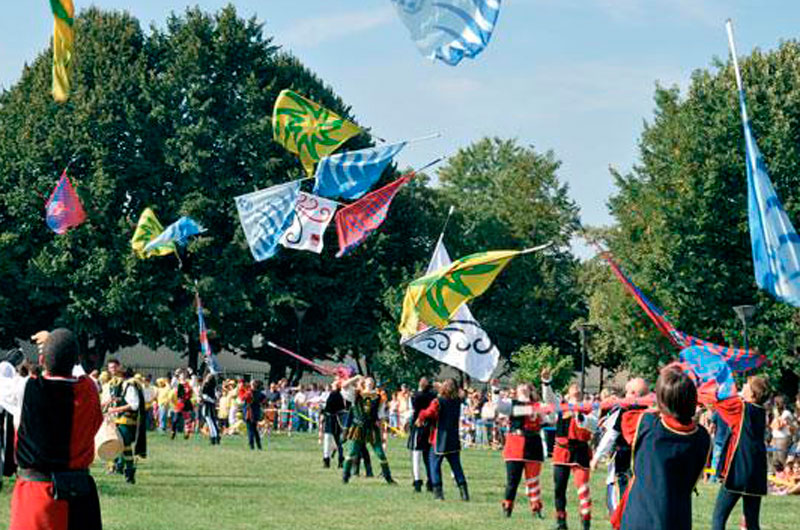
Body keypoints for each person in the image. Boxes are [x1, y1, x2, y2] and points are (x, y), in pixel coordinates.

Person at [0, 328, 103, 530]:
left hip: (37, 495)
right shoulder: (89, 391)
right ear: (76, 360)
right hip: (80, 495)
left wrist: (7, 363)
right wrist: (58, 345)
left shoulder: (25, 390)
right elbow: (82, 375)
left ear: (41, 360)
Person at [611, 364, 710, 530]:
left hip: (640, 519)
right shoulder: (702, 437)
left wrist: (656, 407)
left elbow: (627, 417)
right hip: (678, 520)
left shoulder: (646, 425)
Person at [700, 376, 769, 530]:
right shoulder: (760, 410)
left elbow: (717, 400)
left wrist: (710, 386)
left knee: (719, 517)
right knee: (752, 522)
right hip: (756, 471)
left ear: (753, 394)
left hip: (739, 470)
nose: (743, 385)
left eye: (747, 385)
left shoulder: (742, 408)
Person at [543, 374, 598, 530]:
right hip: (562, 452)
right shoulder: (561, 405)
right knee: (559, 488)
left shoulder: (588, 407)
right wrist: (546, 382)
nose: (575, 388)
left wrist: (580, 416)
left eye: (578, 387)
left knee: (583, 488)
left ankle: (585, 521)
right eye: (573, 387)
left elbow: (593, 425)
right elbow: (549, 398)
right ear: (568, 392)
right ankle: (561, 522)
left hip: (580, 452)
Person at [590, 378, 649, 516]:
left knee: (619, 507)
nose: (625, 396)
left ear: (634, 394)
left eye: (627, 392)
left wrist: (596, 457)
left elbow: (611, 435)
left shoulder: (625, 412)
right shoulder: (651, 413)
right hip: (645, 470)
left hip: (625, 467)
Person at [497, 380, 552, 518]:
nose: (522, 388)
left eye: (525, 386)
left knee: (533, 480)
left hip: (533, 443)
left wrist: (546, 407)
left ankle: (536, 508)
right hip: (515, 444)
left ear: (530, 389)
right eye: (520, 386)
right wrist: (495, 389)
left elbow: (551, 417)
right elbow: (499, 407)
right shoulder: (512, 403)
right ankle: (507, 507)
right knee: (512, 481)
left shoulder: (538, 405)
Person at [417, 378, 469, 501]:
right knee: (456, 466)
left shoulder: (438, 401)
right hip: (453, 438)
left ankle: (438, 494)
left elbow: (428, 413)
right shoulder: (457, 401)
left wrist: (420, 415)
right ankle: (464, 493)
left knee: (434, 465)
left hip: (439, 438)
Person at [341, 375, 395, 484]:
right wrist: (356, 377)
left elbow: (380, 416)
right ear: (364, 383)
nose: (370, 382)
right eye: (368, 381)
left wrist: (381, 431)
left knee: (380, 453)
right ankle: (345, 477)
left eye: (372, 381)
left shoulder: (379, 397)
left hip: (372, 428)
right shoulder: (356, 394)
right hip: (358, 428)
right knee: (352, 452)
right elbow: (344, 385)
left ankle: (388, 478)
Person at [105, 360, 146, 484]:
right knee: (119, 445)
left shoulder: (130, 384)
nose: (112, 369)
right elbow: (112, 400)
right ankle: (122, 468)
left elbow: (134, 405)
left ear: (120, 367)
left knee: (125, 445)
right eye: (110, 367)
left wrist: (115, 409)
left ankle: (129, 472)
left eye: (114, 367)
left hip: (127, 420)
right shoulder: (113, 384)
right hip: (116, 420)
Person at [408, 377, 436, 493]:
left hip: (419, 426)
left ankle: (417, 481)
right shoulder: (433, 396)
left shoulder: (416, 396)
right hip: (429, 427)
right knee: (428, 456)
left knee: (416, 455)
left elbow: (413, 409)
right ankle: (430, 481)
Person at [322, 380, 346, 468]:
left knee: (328, 440)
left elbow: (329, 407)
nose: (332, 383)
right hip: (335, 420)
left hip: (331, 419)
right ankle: (340, 459)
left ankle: (327, 460)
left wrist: (322, 410)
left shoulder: (334, 394)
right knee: (337, 441)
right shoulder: (338, 395)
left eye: (334, 383)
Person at [239, 379, 266, 450]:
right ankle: (259, 445)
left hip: (249, 413)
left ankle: (251, 446)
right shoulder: (259, 393)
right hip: (256, 412)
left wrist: (243, 390)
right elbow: (264, 399)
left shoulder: (250, 393)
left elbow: (242, 398)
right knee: (255, 430)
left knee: (250, 430)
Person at [201, 373, 220, 445]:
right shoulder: (212, 386)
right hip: (210, 405)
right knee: (211, 423)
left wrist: (213, 400)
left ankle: (214, 437)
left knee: (210, 423)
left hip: (208, 406)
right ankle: (214, 437)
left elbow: (205, 395)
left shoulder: (207, 385)